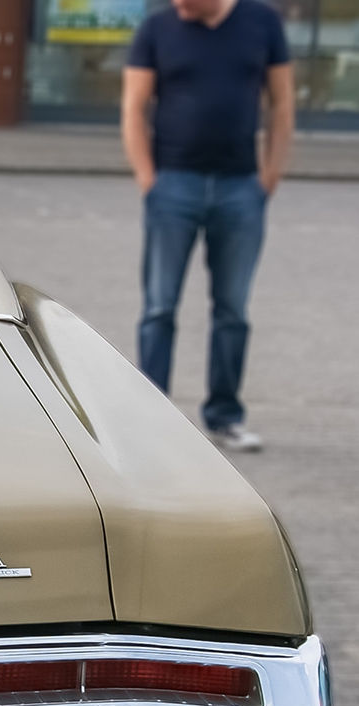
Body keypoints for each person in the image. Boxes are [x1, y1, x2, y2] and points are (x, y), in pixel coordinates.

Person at [121, 0, 294, 452]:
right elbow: (134, 106)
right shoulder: (158, 29)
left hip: (240, 188)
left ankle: (225, 416)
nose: (177, 6)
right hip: (173, 185)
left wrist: (269, 177)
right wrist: (148, 180)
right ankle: (151, 416)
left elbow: (282, 103)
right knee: (159, 306)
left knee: (232, 310)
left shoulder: (262, 23)